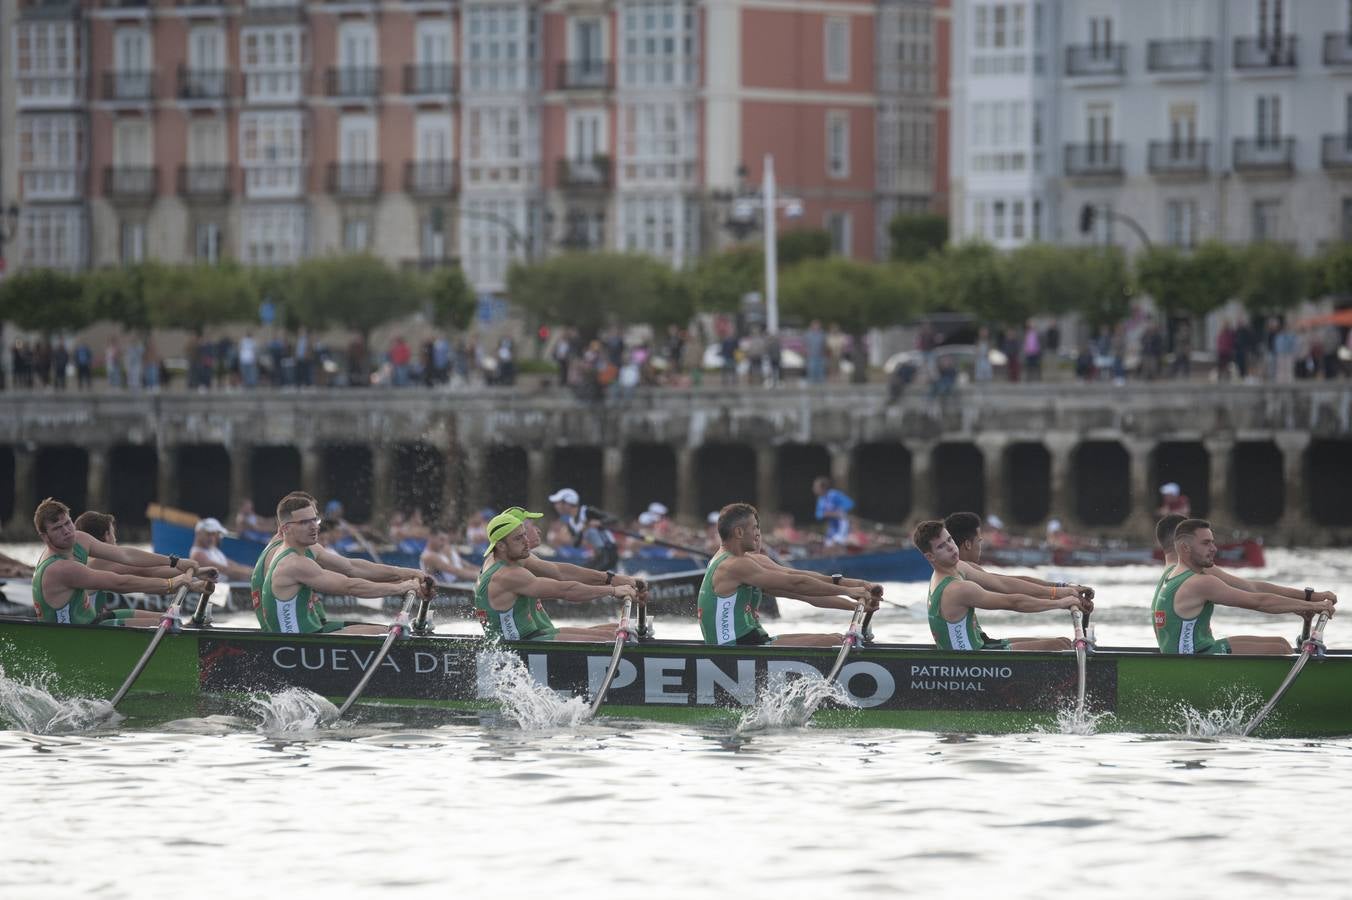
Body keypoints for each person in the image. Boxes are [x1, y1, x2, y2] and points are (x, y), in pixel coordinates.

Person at [698, 503, 878, 647]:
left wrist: (853, 596)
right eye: (755, 529)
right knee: (834, 642)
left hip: (751, 641)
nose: (758, 536)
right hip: (733, 648)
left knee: (835, 638)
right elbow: (797, 583)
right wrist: (848, 591)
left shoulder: (750, 562)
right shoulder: (735, 564)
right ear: (738, 532)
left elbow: (801, 588)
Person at [1154, 519, 1335, 655]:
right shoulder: (1200, 582)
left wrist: (1306, 600)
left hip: (1194, 652)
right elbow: (1258, 601)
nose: (1214, 549)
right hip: (1193, 659)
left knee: (1281, 644)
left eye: (1212, 542)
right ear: (1184, 547)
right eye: (1205, 543)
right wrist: (1313, 606)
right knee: (1279, 650)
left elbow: (1253, 588)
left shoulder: (1172, 573)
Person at [257, 495, 427, 635]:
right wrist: (402, 588)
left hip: (313, 628)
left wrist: (411, 573)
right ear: (285, 529)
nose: (313, 527)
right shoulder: (293, 563)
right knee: (387, 634)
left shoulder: (309, 548)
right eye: (304, 523)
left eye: (314, 520)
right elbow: (350, 586)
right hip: (296, 643)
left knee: (384, 630)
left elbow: (352, 567)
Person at [912, 519, 1089, 651]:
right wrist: (1059, 603)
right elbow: (1012, 602)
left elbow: (1003, 583)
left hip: (981, 645)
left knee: (1064, 642)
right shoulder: (956, 589)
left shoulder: (958, 567)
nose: (951, 547)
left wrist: (1060, 589)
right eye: (942, 546)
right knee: (1059, 647)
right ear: (930, 557)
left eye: (950, 540)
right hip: (971, 663)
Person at [31, 499, 211, 627]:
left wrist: (175, 561)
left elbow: (126, 555)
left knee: (169, 620)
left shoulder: (80, 539)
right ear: (44, 537)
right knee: (170, 624)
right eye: (57, 528)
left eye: (68, 523)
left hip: (93, 620)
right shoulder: (60, 568)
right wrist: (172, 584)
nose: (67, 531)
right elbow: (119, 582)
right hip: (73, 637)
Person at [475, 508, 638, 642]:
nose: (527, 540)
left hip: (533, 634)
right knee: (610, 639)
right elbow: (565, 590)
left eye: (525, 533)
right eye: (520, 536)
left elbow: (561, 572)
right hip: (515, 648)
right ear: (501, 546)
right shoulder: (506, 574)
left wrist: (612, 579)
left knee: (616, 631)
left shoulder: (513, 558)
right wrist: (613, 590)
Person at [943, 511, 1095, 601]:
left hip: (971, 643)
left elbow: (1010, 582)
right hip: (966, 650)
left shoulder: (965, 568)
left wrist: (1063, 587)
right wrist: (1059, 599)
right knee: (1060, 644)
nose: (982, 544)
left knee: (1061, 643)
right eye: (979, 540)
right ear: (968, 544)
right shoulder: (960, 570)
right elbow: (1014, 602)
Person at [549, 487, 619, 570]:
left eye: (558, 503)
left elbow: (614, 519)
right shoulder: (571, 522)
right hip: (599, 556)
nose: (556, 506)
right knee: (580, 571)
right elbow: (576, 544)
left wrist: (600, 522)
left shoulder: (587, 512)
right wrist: (581, 531)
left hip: (609, 553)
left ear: (567, 504)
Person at [190, 517, 253, 582]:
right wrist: (254, 575)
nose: (212, 538)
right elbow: (227, 571)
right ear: (199, 533)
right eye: (208, 534)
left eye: (214, 534)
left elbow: (235, 566)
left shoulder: (214, 550)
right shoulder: (197, 554)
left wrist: (254, 572)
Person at [812, 476, 854, 547]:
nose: (814, 489)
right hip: (832, 527)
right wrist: (826, 514)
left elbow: (849, 503)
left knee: (838, 543)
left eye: (816, 487)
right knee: (828, 544)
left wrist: (838, 511)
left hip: (842, 524)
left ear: (823, 487)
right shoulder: (821, 499)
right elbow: (818, 514)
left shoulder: (834, 494)